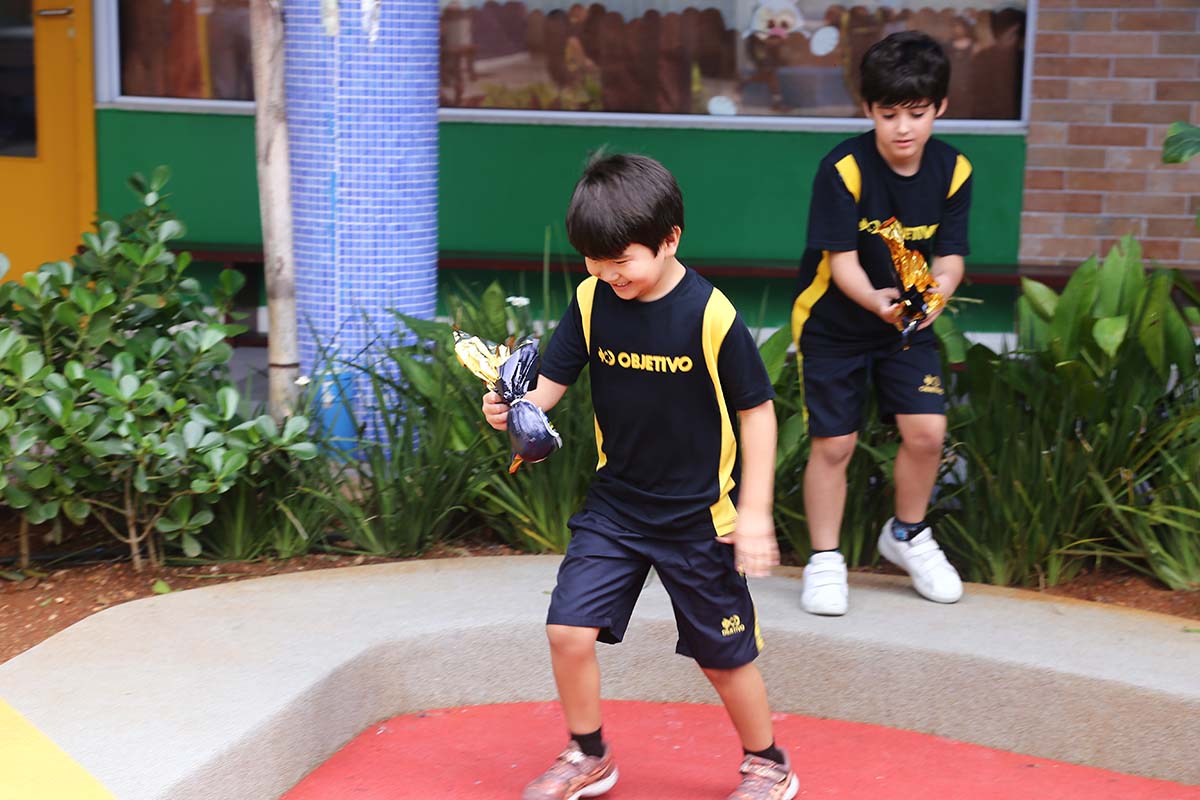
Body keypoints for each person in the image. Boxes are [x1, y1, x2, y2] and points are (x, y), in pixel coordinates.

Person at [483, 153, 799, 800]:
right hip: (617, 508)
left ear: (670, 239)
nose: (607, 274)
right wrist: (512, 410)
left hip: (698, 517)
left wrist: (756, 512)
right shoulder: (591, 301)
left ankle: (769, 764)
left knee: (723, 658)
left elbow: (758, 412)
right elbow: (547, 389)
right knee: (567, 630)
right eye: (593, 260)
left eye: (620, 260)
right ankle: (589, 755)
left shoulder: (710, 315)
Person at [791, 31, 971, 616]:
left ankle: (907, 534)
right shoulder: (843, 169)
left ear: (939, 107)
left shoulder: (954, 170)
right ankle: (825, 560)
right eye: (888, 114)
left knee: (927, 433)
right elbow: (841, 262)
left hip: (907, 324)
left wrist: (937, 294)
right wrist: (877, 302)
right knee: (835, 444)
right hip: (835, 323)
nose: (902, 128)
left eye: (916, 113)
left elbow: (951, 257)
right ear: (868, 109)